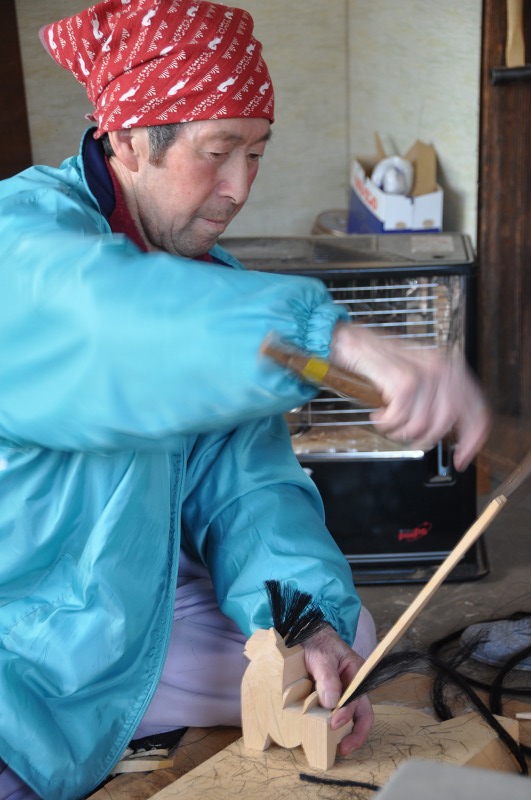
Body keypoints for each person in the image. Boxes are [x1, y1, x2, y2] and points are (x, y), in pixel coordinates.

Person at [0, 2, 490, 798]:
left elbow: (248, 489)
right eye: (217, 151)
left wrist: (302, 621)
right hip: (26, 611)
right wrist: (337, 342)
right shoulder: (21, 242)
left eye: (255, 152)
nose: (238, 188)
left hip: (122, 592)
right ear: (125, 138)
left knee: (337, 636)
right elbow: (108, 320)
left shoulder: (208, 277)